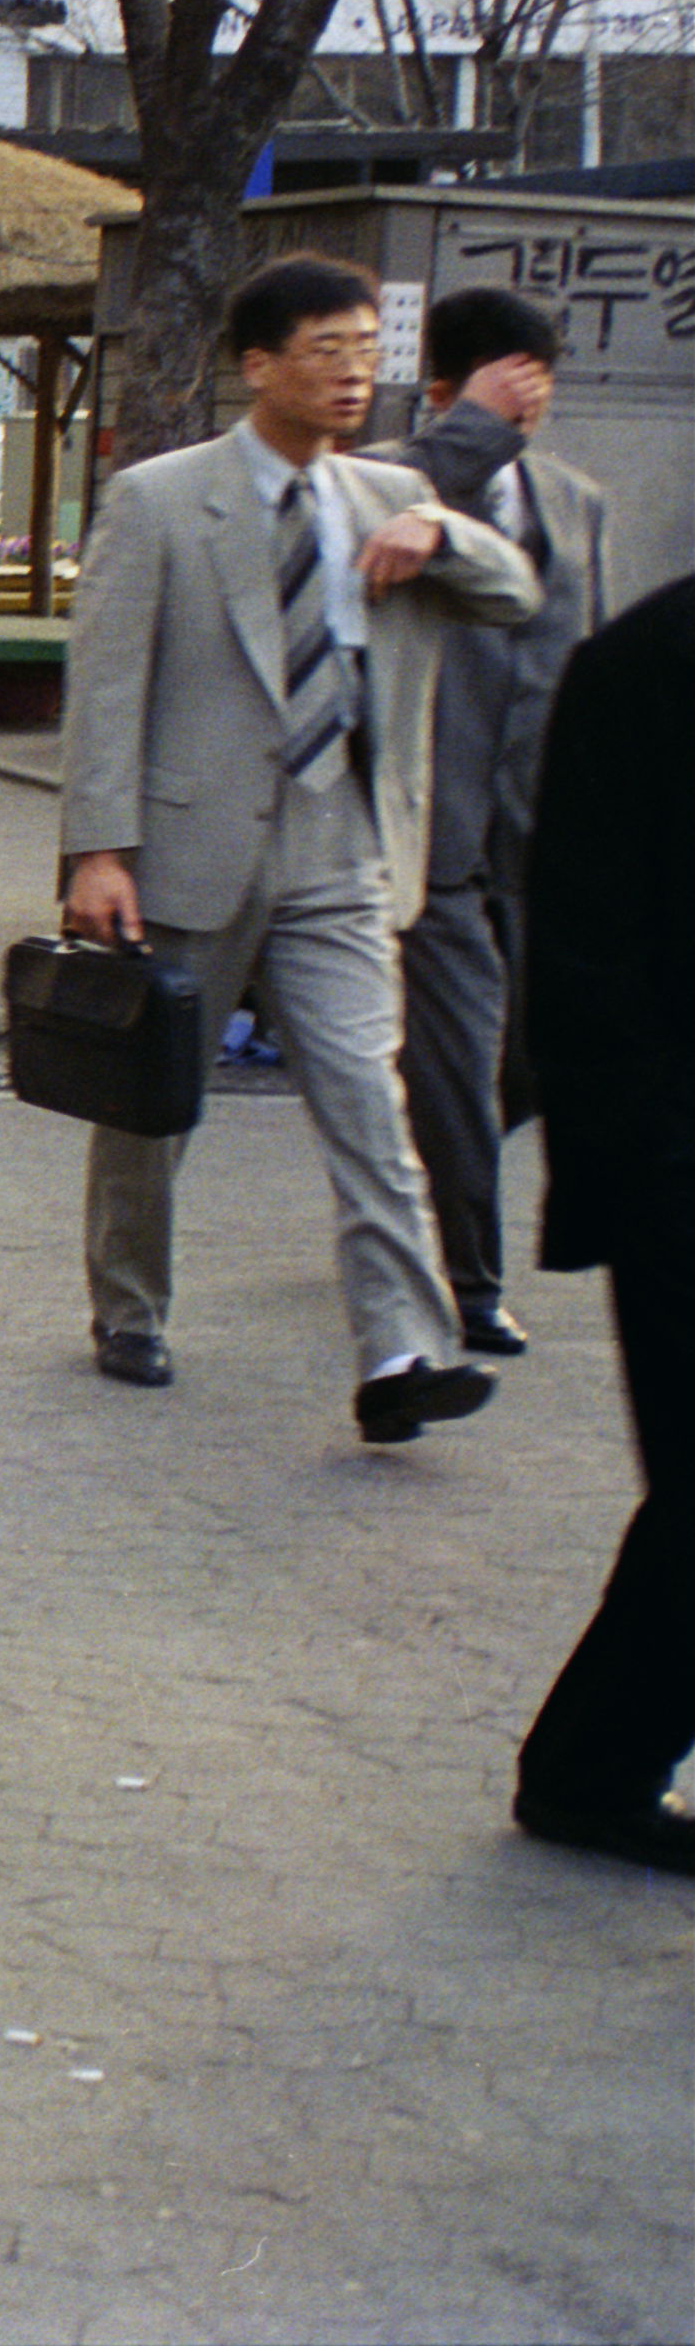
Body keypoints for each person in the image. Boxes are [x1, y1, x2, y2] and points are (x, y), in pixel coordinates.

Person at [58, 253, 538, 1440]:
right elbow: (106, 682)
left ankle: (398, 1353)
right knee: (152, 1107)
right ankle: (127, 1305)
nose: (349, 376)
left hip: (340, 843)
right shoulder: (162, 497)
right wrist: (96, 850)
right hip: (189, 845)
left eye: (364, 353)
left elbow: (514, 593)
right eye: (324, 351)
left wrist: (440, 532)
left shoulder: (386, 500)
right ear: (256, 364)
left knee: (365, 1102)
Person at [370, 288, 611, 1361]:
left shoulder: (574, 500)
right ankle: (468, 1285)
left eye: (540, 380)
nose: (531, 399)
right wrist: (469, 424)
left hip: (542, 836)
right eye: (509, 377)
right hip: (433, 838)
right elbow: (405, 498)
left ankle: (411, 1174)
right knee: (463, 1063)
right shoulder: (393, 478)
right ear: (444, 390)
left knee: (530, 1059)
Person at [508, 562, 695, 1873]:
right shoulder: (644, 667)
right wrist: (645, 1164)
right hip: (679, 1164)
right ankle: (589, 1770)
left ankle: (592, 1764)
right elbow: (578, 948)